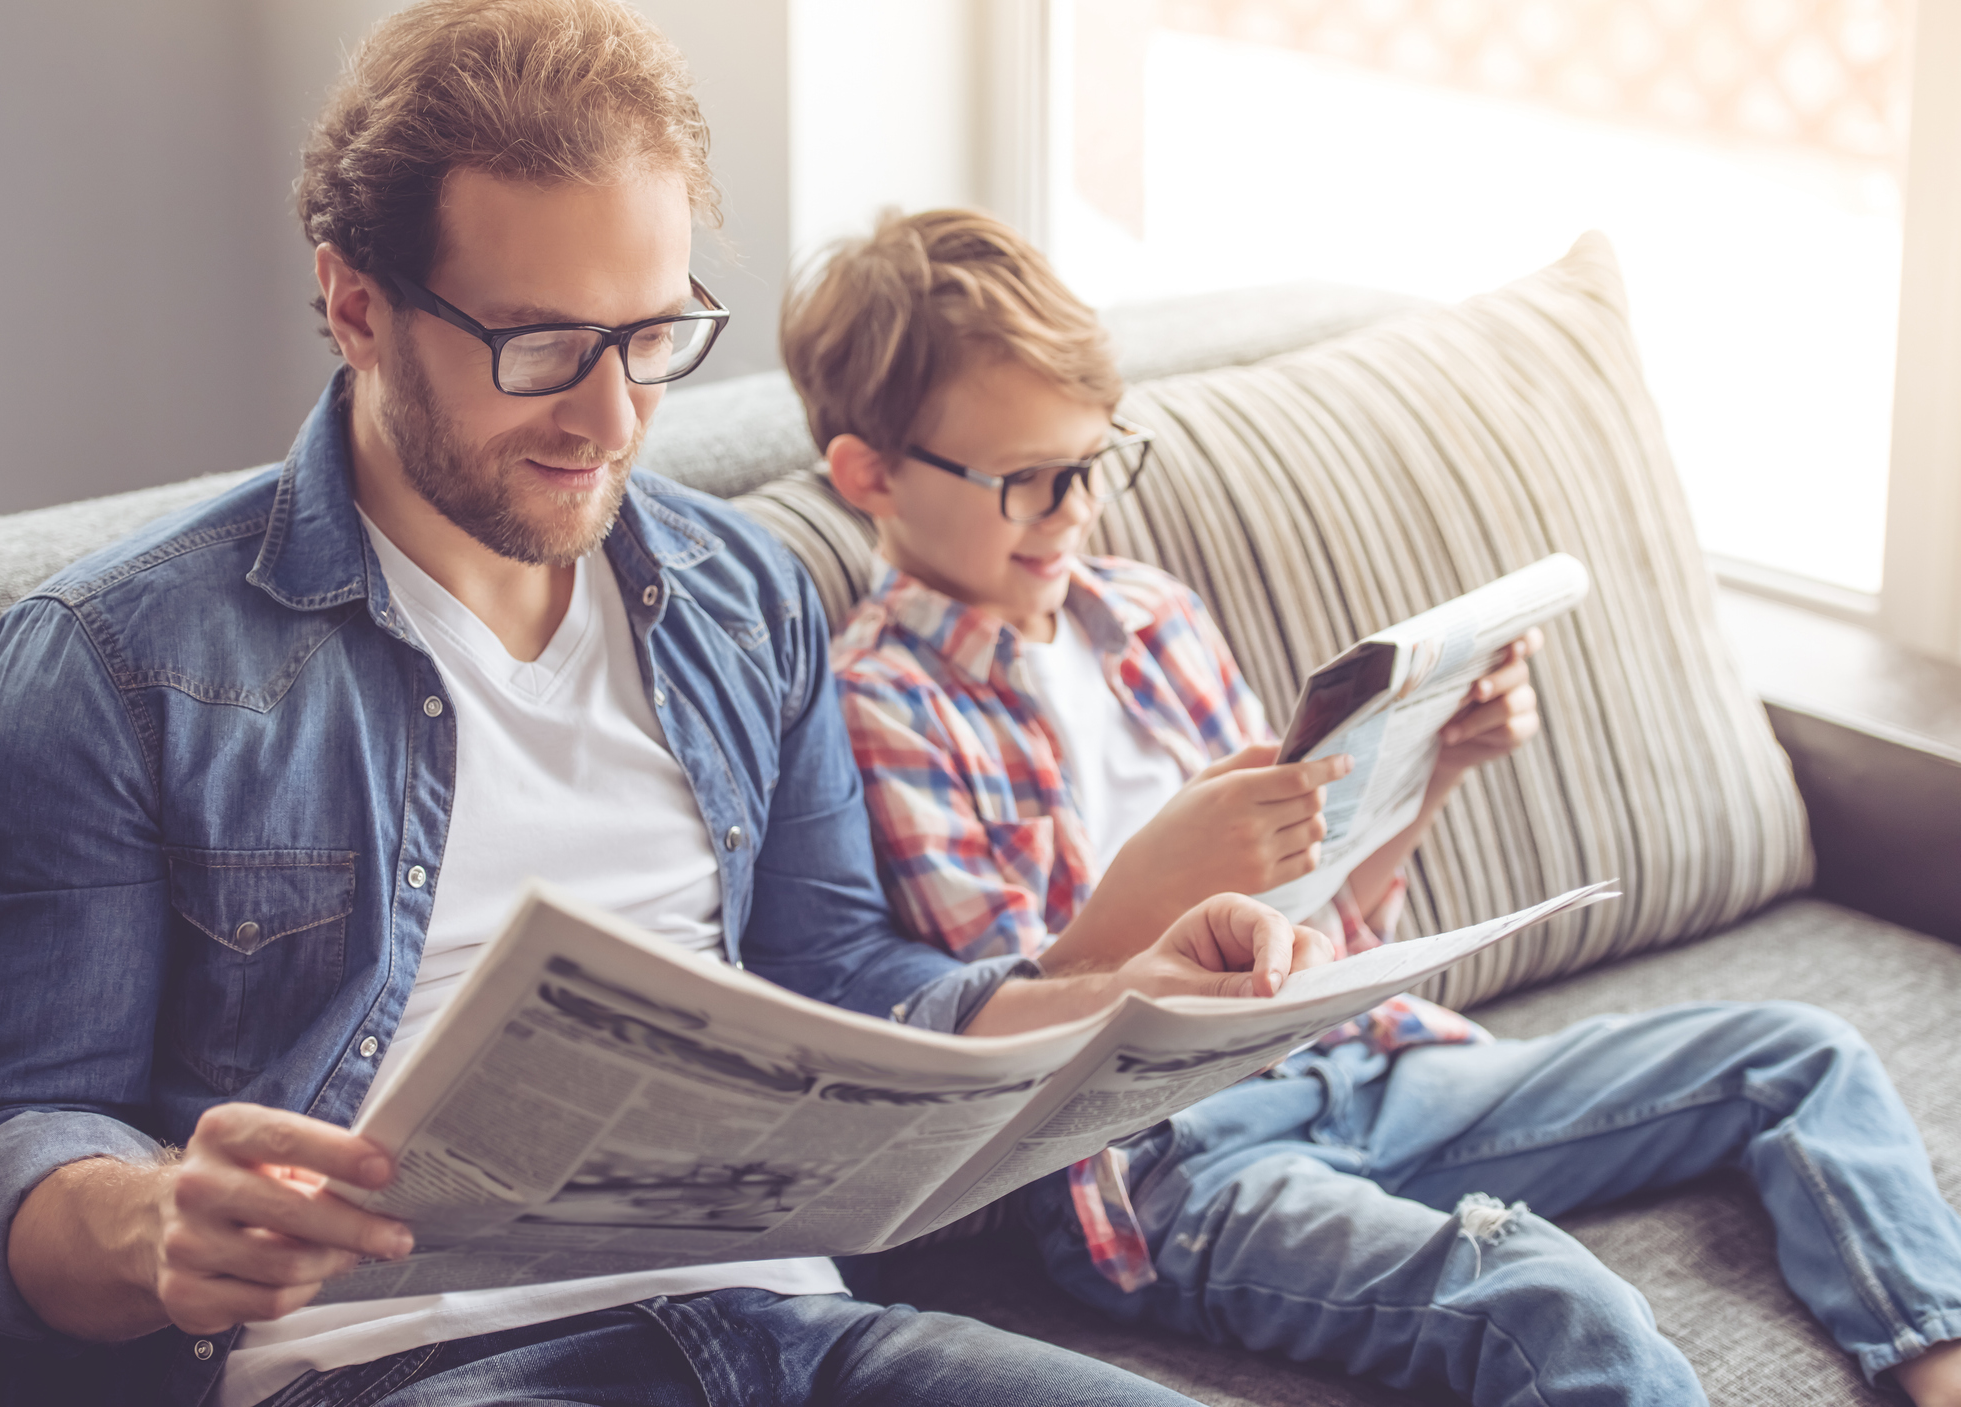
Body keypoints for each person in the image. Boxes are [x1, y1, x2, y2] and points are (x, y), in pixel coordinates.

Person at [0, 8, 1337, 1406]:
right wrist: (152, 1215)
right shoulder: (120, 658)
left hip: (787, 1327)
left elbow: (845, 986)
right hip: (389, 1362)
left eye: (651, 336)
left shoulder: (747, 597)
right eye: (539, 344)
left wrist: (1115, 998)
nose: (609, 421)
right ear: (357, 303)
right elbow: (14, 1147)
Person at [789, 206, 1961, 1407]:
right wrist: (1152, 892)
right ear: (869, 474)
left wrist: (1433, 770)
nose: (1074, 508)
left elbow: (1317, 910)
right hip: (1174, 1164)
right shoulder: (878, 710)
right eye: (1026, 481)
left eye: (1092, 461)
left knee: (1798, 1053)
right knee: (1553, 1303)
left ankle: (1937, 1364)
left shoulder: (1147, 614)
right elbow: (1000, 1052)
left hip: (1365, 1064)